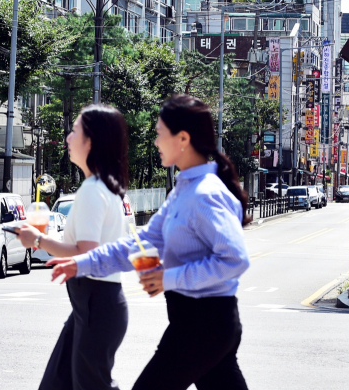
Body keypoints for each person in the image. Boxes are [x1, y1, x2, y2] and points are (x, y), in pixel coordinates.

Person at [47, 95, 251, 390]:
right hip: (201, 323)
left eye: (159, 133)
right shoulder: (183, 191)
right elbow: (141, 241)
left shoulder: (206, 194)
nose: (155, 141)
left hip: (203, 325)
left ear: (182, 138)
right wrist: (82, 263)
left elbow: (235, 259)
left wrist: (168, 277)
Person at [16, 105, 129, 390]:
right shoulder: (107, 187)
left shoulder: (93, 189)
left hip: (94, 305)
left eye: (75, 130)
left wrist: (37, 241)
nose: (67, 137)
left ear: (91, 140)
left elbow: (86, 254)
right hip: (93, 306)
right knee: (57, 383)